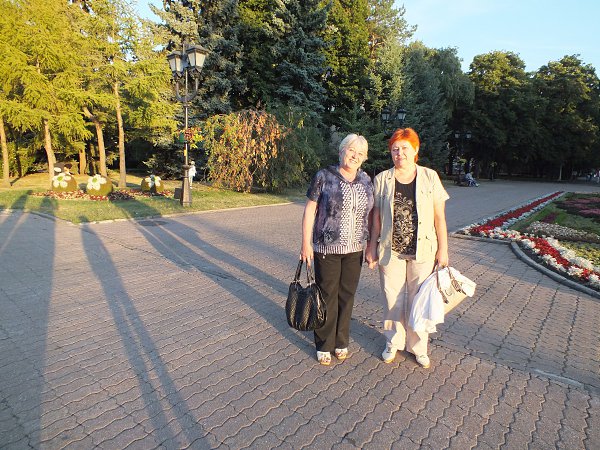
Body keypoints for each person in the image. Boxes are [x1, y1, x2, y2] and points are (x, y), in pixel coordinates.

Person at [366, 128, 449, 369]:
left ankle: (418, 347)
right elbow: (376, 219)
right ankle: (393, 342)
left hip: (423, 251)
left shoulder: (430, 177)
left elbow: (439, 218)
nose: (399, 153)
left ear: (415, 150)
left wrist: (443, 249)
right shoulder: (382, 179)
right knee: (392, 298)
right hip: (390, 251)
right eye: (395, 149)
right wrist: (371, 247)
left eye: (404, 148)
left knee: (418, 301)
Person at [300, 134, 374, 366]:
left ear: (364, 158)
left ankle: (341, 341)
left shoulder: (366, 180)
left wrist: (371, 244)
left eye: (360, 154)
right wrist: (305, 243)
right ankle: (324, 343)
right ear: (342, 151)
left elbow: (372, 213)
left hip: (355, 249)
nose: (355, 156)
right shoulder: (324, 176)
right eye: (351, 150)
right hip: (327, 248)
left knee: (347, 295)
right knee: (327, 295)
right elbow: (310, 210)